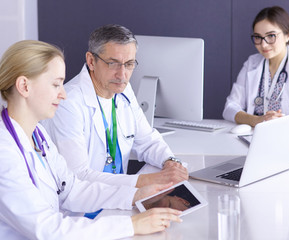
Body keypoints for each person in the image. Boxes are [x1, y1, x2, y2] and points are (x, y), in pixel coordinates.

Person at [0, 40, 183, 239]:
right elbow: (48, 229)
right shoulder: (5, 152)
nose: (63, 94)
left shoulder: (37, 134)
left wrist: (135, 196)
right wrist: (131, 225)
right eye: (55, 84)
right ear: (24, 86)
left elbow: (71, 190)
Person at [42, 24, 188, 190]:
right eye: (113, 63)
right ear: (91, 61)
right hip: (83, 207)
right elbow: (78, 176)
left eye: (129, 64)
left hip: (118, 197)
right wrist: (146, 181)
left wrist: (169, 162)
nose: (122, 74)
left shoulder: (124, 90)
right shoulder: (68, 103)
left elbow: (147, 141)